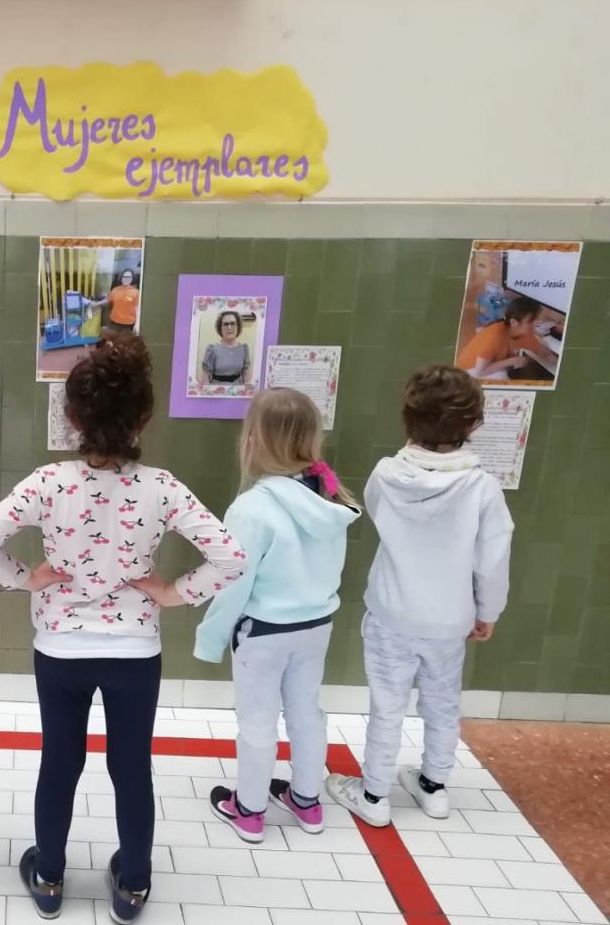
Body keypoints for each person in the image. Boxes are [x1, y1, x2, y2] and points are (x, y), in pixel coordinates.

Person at [0, 334, 247, 923]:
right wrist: (173, 593)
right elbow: (231, 557)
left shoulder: (48, 483)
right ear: (144, 417)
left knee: (58, 763)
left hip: (60, 650)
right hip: (135, 651)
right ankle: (133, 886)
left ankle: (48, 877)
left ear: (71, 417)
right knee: (130, 767)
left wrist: (25, 578)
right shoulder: (161, 487)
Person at [326, 366, 513, 826]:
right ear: (473, 425)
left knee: (386, 706)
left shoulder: (385, 476)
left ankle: (373, 796)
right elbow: (493, 559)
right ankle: (434, 787)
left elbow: (377, 515)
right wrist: (487, 611)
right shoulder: (484, 489)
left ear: (408, 419)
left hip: (391, 613)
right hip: (451, 619)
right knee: (443, 702)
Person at [190, 389, 360, 843]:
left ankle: (248, 809)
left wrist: (209, 639)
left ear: (253, 441)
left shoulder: (251, 508)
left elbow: (233, 584)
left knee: (258, 721)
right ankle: (307, 802)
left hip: (263, 632)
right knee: (308, 713)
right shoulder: (332, 499)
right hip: (316, 627)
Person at [455, 296, 549, 378]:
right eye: (531, 321)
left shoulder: (526, 333)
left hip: (490, 367)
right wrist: (510, 361)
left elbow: (544, 353)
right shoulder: (493, 336)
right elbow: (479, 372)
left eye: (537, 319)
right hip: (468, 372)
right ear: (514, 322)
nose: (538, 323)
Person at [200, 311, 251, 385]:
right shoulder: (212, 349)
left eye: (233, 323)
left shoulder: (244, 349)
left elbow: (246, 375)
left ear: (238, 326)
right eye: (225, 324)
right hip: (217, 391)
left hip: (237, 391)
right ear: (220, 328)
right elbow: (205, 378)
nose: (229, 327)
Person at [95, 267, 140, 335]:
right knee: (113, 342)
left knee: (125, 343)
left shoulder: (136, 292)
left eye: (129, 277)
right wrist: (94, 304)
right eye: (125, 277)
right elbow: (107, 300)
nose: (127, 279)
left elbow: (137, 309)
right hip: (114, 322)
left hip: (128, 324)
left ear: (132, 278)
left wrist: (137, 324)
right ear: (121, 278)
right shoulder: (115, 290)